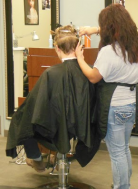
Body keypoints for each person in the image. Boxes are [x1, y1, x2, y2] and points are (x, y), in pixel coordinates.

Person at [75, 4, 138, 189]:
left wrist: (80, 58)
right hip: (131, 104)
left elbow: (93, 77)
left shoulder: (108, 51)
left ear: (108, 27)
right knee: (124, 149)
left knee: (117, 152)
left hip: (114, 106)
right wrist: (93, 29)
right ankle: (123, 188)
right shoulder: (136, 47)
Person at [6, 25, 98, 172]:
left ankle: (35, 158)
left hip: (57, 125)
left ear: (57, 48)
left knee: (22, 116)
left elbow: (35, 107)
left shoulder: (51, 74)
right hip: (81, 125)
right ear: (78, 47)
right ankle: (57, 155)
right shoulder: (90, 71)